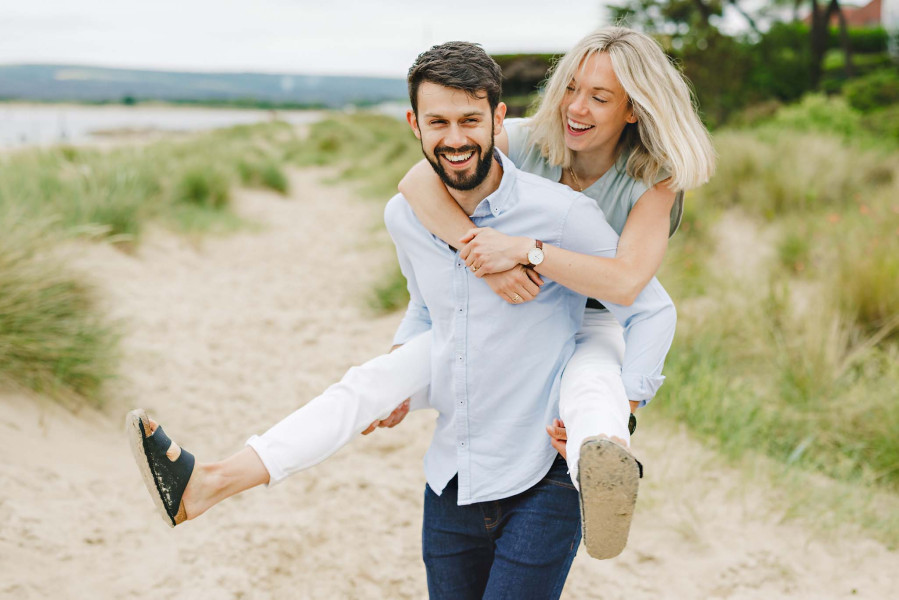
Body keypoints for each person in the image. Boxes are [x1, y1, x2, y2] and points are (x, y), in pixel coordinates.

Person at [128, 26, 712, 576]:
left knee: (595, 393)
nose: (577, 108)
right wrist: (482, 258)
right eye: (573, 90)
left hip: (593, 317)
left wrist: (525, 252)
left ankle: (603, 472)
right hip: (505, 318)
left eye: (600, 99)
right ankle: (211, 481)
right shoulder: (531, 138)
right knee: (371, 382)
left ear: (633, 108)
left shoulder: (651, 176)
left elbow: (631, 288)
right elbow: (418, 181)